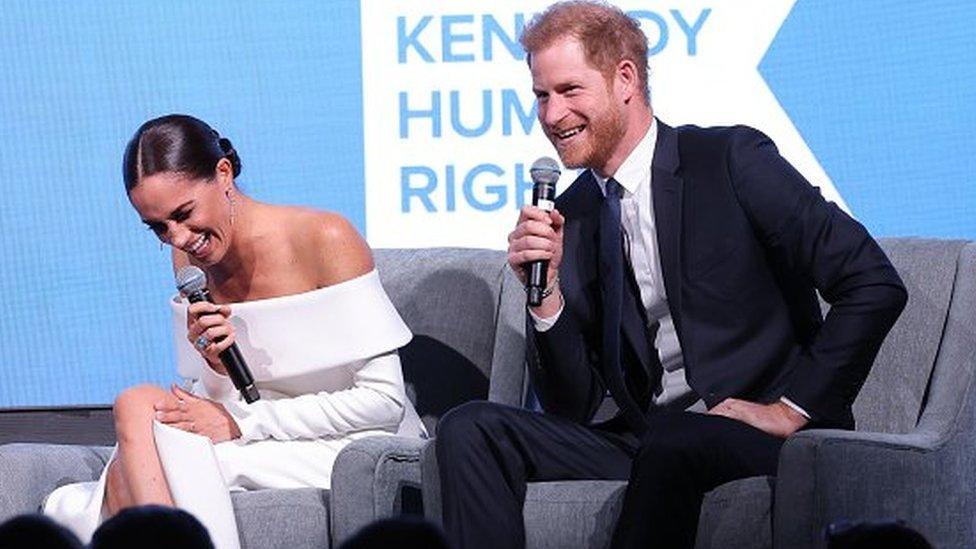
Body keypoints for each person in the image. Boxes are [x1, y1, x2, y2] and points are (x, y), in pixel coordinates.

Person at [435, 2, 907, 548]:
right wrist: (546, 298)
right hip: (648, 437)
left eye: (569, 91)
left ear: (626, 79)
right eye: (541, 95)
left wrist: (789, 409)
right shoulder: (577, 213)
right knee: (470, 427)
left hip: (755, 430)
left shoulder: (730, 160)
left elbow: (873, 282)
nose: (551, 114)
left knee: (675, 440)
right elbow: (576, 405)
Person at [43, 114, 427, 547]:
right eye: (159, 228)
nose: (179, 239)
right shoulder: (190, 263)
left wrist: (243, 423)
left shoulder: (324, 237)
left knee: (134, 474)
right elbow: (227, 405)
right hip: (258, 435)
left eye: (184, 214)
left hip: (352, 444)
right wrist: (216, 370)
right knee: (136, 404)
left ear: (223, 173)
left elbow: (384, 403)